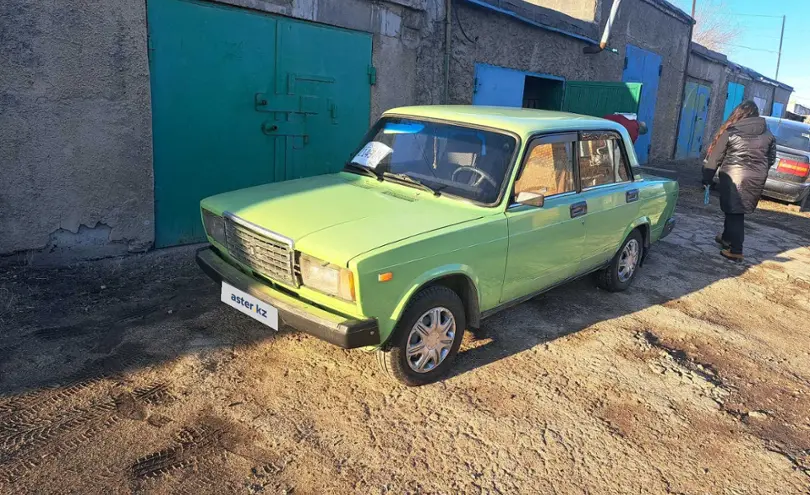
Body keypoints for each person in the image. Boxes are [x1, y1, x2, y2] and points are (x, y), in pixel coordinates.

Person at [702, 101, 776, 262]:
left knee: (735, 213)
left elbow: (715, 157)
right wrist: (758, 171)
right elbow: (771, 159)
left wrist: (707, 178)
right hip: (757, 177)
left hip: (733, 176)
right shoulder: (768, 134)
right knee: (734, 210)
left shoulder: (731, 131)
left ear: (739, 114)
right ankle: (726, 239)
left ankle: (736, 250)